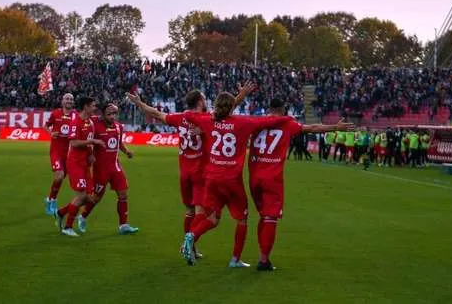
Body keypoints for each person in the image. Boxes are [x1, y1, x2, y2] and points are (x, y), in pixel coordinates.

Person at [126, 83, 254, 256]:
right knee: (204, 214)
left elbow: (156, 113)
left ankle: (191, 246)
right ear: (201, 101)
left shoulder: (180, 117)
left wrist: (139, 104)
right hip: (201, 173)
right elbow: (227, 109)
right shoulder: (207, 118)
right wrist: (242, 95)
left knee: (189, 211)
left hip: (184, 172)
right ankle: (188, 244)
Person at [181, 92, 293, 267]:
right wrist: (287, 118)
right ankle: (235, 259)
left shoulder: (208, 120)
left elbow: (187, 115)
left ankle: (192, 235)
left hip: (211, 178)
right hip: (231, 180)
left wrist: (206, 117)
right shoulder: (242, 122)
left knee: (213, 217)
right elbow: (269, 121)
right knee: (242, 219)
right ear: (232, 107)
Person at [248, 99, 354, 271]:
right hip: (272, 178)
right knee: (270, 217)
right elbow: (312, 128)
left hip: (254, 177)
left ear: (269, 109)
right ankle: (264, 260)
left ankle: (259, 254)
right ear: (282, 109)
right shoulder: (286, 122)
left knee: (263, 216)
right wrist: (335, 127)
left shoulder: (255, 121)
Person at [76, 103, 139, 235]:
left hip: (115, 166)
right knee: (96, 198)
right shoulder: (95, 124)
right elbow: (89, 139)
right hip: (100, 168)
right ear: (103, 114)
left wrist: (127, 151)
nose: (112, 116)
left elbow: (119, 143)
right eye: (109, 114)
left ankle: (123, 226)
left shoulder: (119, 127)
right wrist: (91, 154)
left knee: (123, 194)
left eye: (115, 113)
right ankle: (82, 216)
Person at [54, 96, 105, 237]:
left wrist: (91, 154)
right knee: (82, 196)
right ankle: (67, 227)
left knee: (91, 198)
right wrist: (93, 141)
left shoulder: (90, 122)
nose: (94, 108)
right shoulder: (75, 121)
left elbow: (87, 144)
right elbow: (74, 143)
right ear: (86, 107)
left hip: (85, 163)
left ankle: (61, 212)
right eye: (93, 105)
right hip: (75, 163)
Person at [43, 93, 76, 215]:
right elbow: (46, 126)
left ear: (73, 102)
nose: (69, 101)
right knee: (59, 176)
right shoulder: (55, 113)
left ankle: (51, 198)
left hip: (69, 153)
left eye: (71, 99)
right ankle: (52, 200)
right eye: (67, 99)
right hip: (56, 151)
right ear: (62, 101)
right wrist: (51, 133)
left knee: (61, 178)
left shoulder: (76, 116)